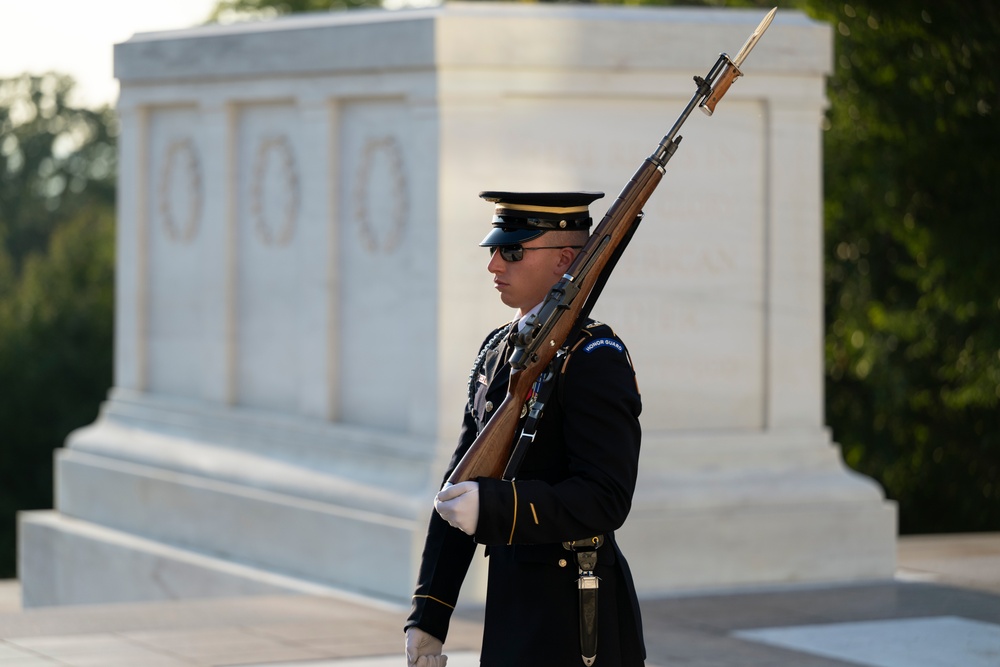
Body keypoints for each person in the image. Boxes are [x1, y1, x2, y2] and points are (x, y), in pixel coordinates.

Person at [405, 191, 645, 667]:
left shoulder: (596, 357)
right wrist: (429, 617)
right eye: (494, 249)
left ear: (564, 260)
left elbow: (606, 497)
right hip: (511, 609)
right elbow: (459, 484)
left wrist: (495, 507)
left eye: (512, 251)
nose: (494, 264)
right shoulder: (498, 349)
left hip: (576, 617)